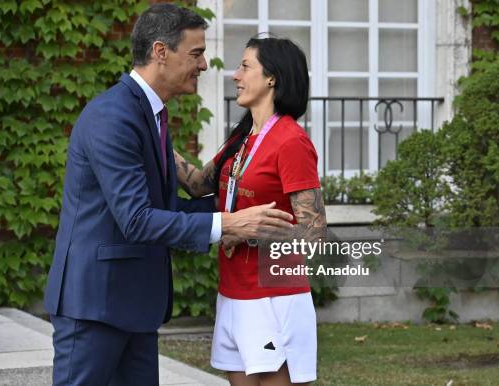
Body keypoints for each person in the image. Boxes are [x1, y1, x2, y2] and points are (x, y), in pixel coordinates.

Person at [43, 5, 296, 386]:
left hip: (135, 308)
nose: (205, 65)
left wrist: (230, 209)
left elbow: (164, 206)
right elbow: (136, 219)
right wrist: (226, 223)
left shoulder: (151, 114)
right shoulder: (114, 116)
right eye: (196, 53)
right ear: (161, 52)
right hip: (95, 306)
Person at [174, 36, 326, 385]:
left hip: (274, 297)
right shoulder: (241, 139)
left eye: (245, 66)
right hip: (233, 292)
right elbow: (198, 184)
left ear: (271, 77)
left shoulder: (291, 142)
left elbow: (314, 233)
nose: (235, 75)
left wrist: (250, 230)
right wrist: (156, 139)